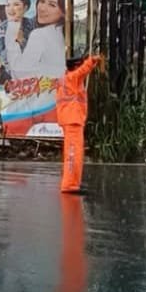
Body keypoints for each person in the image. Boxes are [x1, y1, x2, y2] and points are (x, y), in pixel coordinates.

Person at [57, 55, 101, 194]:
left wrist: (91, 64)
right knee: (72, 154)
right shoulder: (72, 78)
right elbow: (82, 71)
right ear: (76, 67)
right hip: (72, 120)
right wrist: (90, 62)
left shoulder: (69, 79)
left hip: (73, 120)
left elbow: (82, 72)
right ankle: (69, 185)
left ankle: (73, 184)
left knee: (76, 154)